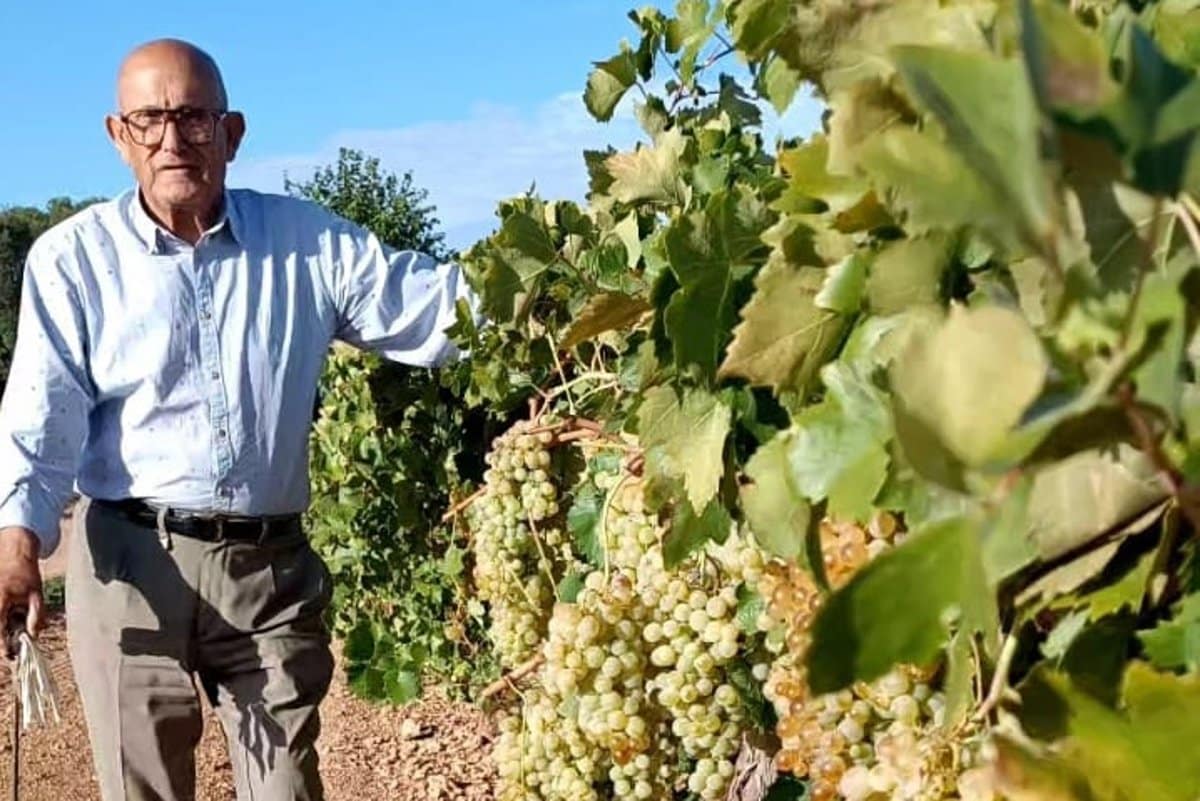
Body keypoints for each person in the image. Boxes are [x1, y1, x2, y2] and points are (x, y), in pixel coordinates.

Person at [0, 38, 477, 801]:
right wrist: (18, 540)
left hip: (269, 571)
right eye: (149, 119)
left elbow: (432, 309)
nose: (172, 139)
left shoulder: (310, 243)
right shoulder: (72, 260)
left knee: (286, 787)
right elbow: (40, 411)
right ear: (118, 137)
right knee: (143, 789)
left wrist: (560, 288)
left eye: (193, 116)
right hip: (128, 565)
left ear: (233, 132)